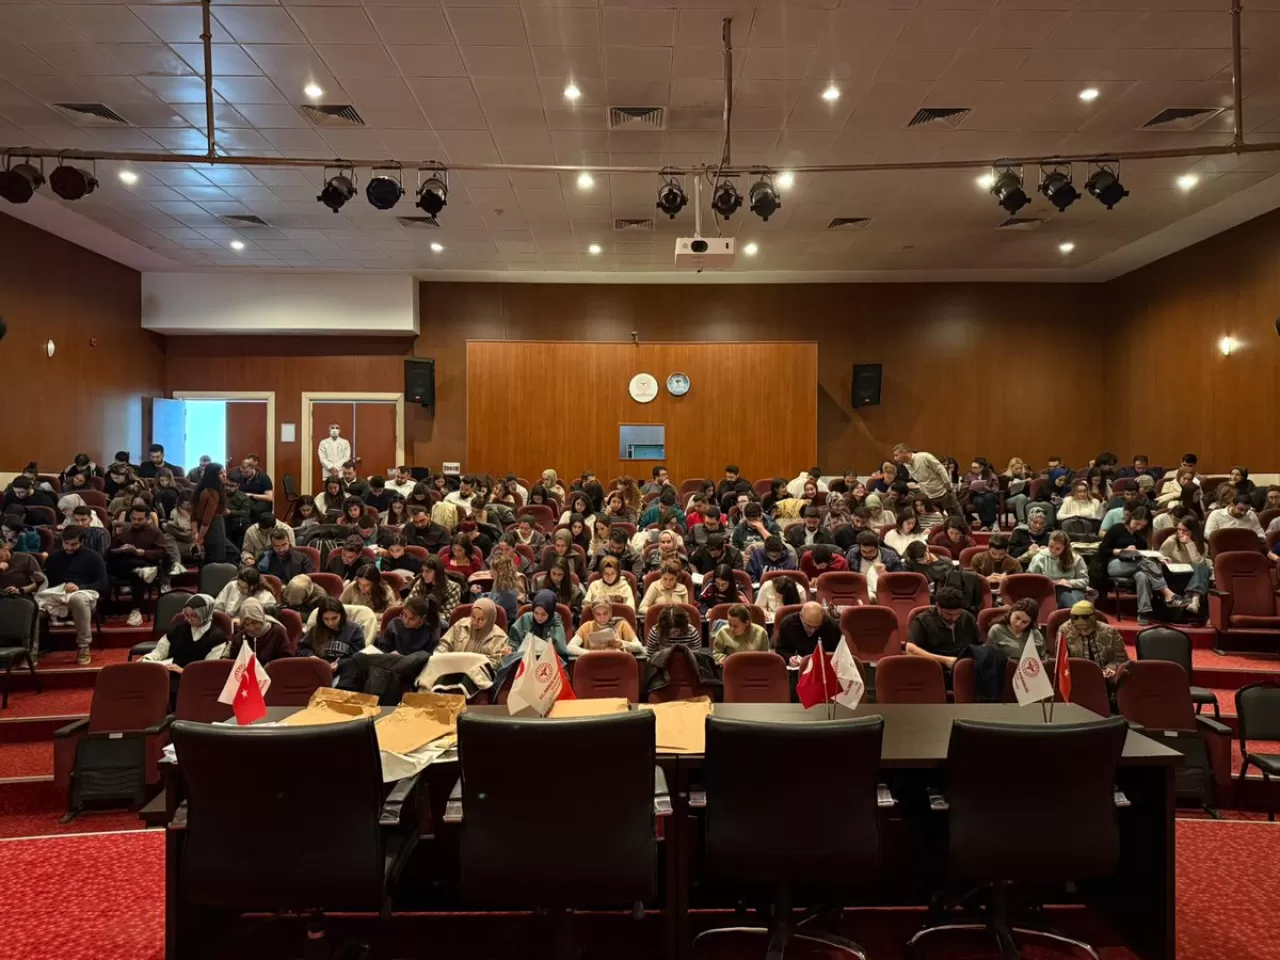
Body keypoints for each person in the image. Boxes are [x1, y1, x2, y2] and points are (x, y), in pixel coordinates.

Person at [342, 596, 441, 704]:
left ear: (422, 619)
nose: (406, 621)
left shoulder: (431, 631)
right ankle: (362, 702)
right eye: (404, 615)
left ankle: (372, 704)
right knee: (381, 671)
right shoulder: (395, 624)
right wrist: (391, 655)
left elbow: (429, 658)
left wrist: (402, 658)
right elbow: (383, 649)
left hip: (413, 666)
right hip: (389, 665)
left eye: (412, 619)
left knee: (418, 657)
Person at [142, 594, 228, 706]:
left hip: (197, 680)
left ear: (205, 614)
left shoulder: (217, 637)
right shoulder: (178, 629)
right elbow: (159, 652)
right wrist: (146, 659)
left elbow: (209, 669)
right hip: (170, 674)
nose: (188, 619)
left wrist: (183, 671)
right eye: (186, 615)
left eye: (194, 615)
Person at [1100, 507, 1180, 625]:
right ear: (1131, 517)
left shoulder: (1140, 537)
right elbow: (1103, 550)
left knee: (1143, 575)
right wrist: (1123, 550)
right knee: (1144, 564)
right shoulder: (1117, 529)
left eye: (1142, 526)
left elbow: (1144, 555)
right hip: (1115, 564)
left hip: (1137, 565)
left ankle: (1143, 613)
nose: (1138, 528)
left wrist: (1161, 559)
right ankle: (1167, 593)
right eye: (1136, 523)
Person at [38, 527, 106, 664]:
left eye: (74, 544)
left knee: (77, 599)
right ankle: (33, 649)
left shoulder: (94, 557)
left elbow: (103, 583)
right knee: (33, 606)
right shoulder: (54, 558)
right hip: (57, 594)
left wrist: (80, 587)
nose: (69, 547)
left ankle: (83, 646)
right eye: (66, 544)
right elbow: (48, 581)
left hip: (85, 593)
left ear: (82, 542)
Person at [110, 505, 168, 627]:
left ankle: (136, 610)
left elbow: (162, 553)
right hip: (126, 564)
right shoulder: (124, 534)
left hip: (147, 562)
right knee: (110, 566)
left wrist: (142, 552)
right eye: (134, 519)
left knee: (137, 574)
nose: (136, 522)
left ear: (148, 519)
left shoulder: (155, 533)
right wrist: (121, 550)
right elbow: (110, 552)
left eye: (140, 519)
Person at [1050, 600, 1128, 681]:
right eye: (1075, 617)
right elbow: (1062, 662)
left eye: (1085, 617)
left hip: (1107, 678)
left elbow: (1121, 658)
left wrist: (1111, 668)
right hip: (1077, 679)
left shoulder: (1110, 632)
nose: (1080, 621)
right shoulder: (1064, 632)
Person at [906, 587, 979, 671]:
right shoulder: (922, 620)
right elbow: (910, 649)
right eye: (948, 614)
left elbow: (979, 645)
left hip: (964, 669)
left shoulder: (968, 618)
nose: (954, 618)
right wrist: (945, 660)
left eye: (957, 613)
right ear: (937, 606)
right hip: (934, 668)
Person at [433, 596, 509, 666]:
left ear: (490, 620)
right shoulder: (460, 625)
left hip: (480, 675)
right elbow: (445, 644)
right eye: (473, 617)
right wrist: (440, 657)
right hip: (453, 667)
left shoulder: (500, 637)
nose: (475, 622)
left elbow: (496, 664)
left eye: (481, 619)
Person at [891, 443, 962, 518]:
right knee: (937, 521)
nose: (895, 458)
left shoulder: (924, 457)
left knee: (957, 518)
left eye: (896, 455)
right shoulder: (906, 465)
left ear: (904, 453)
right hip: (930, 497)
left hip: (944, 493)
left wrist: (948, 487)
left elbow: (941, 469)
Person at [300, 596, 366, 672]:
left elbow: (358, 657)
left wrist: (340, 664)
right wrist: (311, 656)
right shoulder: (316, 629)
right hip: (318, 670)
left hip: (345, 672)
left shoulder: (354, 630)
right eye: (326, 619)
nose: (330, 623)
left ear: (341, 615)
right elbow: (302, 648)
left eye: (334, 618)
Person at [1160, 517, 1212, 615]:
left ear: (1194, 531)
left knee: (1202, 568)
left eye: (1185, 530)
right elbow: (1160, 556)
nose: (1181, 533)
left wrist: (1190, 544)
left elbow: (1199, 562)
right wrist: (1165, 560)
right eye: (1179, 529)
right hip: (1175, 573)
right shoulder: (1171, 540)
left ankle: (1194, 599)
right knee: (1202, 569)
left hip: (1193, 574)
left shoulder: (1202, 544)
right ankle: (1195, 599)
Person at [1026, 531, 1090, 608]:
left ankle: (1075, 612)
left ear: (1065, 548)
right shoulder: (1039, 558)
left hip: (1071, 590)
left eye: (1058, 549)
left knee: (1063, 593)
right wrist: (1051, 583)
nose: (1053, 551)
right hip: (1046, 590)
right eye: (1051, 546)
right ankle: (1076, 613)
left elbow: (1085, 580)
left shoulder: (1076, 558)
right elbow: (1031, 580)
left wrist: (1069, 582)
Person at [508, 589, 570, 660]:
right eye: (536, 613)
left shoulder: (556, 625)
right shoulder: (526, 619)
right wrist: (511, 649)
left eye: (543, 614)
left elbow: (562, 653)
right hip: (524, 660)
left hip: (547, 663)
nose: (539, 617)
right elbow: (514, 641)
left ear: (550, 613)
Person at [568, 598, 643, 656]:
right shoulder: (587, 626)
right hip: (593, 663)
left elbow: (639, 647)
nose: (602, 617)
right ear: (593, 614)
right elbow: (570, 648)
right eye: (598, 614)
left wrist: (622, 643)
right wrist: (591, 653)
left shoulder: (621, 624)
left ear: (610, 612)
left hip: (618, 663)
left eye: (605, 613)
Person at [226, 597, 293, 662]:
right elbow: (233, 661)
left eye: (254, 622)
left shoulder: (278, 632)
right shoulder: (241, 637)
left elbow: (285, 659)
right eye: (247, 624)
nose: (251, 628)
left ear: (261, 619)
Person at [776, 601, 840, 665]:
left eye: (816, 627)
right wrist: (789, 658)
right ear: (800, 617)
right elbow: (780, 649)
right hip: (797, 667)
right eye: (808, 626)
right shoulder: (788, 624)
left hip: (822, 666)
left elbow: (836, 651)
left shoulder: (831, 626)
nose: (812, 630)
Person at [192, 462, 229, 566]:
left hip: (206, 528)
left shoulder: (201, 489)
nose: (225, 475)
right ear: (214, 476)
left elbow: (193, 515)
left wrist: (195, 533)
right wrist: (199, 540)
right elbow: (206, 521)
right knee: (216, 560)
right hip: (214, 528)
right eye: (221, 473)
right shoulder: (213, 493)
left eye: (224, 472)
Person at [409, 555, 462, 623]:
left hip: (438, 623)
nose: (423, 575)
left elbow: (448, 615)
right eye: (423, 571)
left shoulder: (454, 587)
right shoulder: (421, 582)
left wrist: (424, 618)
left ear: (437, 572)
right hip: (418, 620)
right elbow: (408, 603)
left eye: (428, 571)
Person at [530, 557, 583, 624]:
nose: (555, 578)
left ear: (565, 575)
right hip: (539, 619)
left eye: (559, 575)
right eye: (553, 573)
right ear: (549, 571)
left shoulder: (575, 592)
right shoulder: (538, 583)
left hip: (562, 623)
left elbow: (575, 613)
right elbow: (530, 605)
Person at [960, 458, 1000, 530]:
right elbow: (963, 486)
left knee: (989, 497)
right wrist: (970, 487)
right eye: (972, 467)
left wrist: (988, 489)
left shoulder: (991, 475)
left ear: (982, 467)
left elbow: (996, 489)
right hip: (975, 495)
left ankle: (985, 524)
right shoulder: (969, 474)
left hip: (988, 494)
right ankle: (991, 522)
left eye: (975, 467)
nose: (973, 469)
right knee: (978, 501)